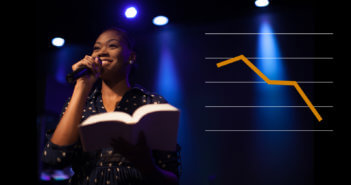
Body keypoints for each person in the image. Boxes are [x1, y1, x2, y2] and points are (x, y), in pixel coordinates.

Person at [42, 27, 181, 185]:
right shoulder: (80, 103)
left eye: (112, 45)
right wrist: (82, 86)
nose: (101, 52)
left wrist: (146, 165)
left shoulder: (153, 103)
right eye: (96, 48)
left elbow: (172, 179)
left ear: (132, 57)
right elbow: (53, 158)